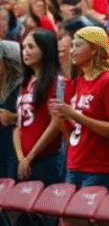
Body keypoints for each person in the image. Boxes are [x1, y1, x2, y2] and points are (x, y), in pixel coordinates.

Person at [53, 26, 109, 190]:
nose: (72, 51)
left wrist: (76, 115)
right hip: (76, 163)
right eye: (72, 46)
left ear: (94, 49)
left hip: (102, 169)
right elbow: (76, 130)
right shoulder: (79, 81)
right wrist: (63, 117)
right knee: (67, 215)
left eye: (78, 45)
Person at [14, 30, 63, 183]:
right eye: (23, 47)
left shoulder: (56, 82)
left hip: (47, 158)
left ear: (45, 49)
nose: (25, 52)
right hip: (24, 161)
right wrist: (22, 158)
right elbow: (18, 126)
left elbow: (56, 123)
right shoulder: (24, 83)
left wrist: (31, 156)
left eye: (31, 47)